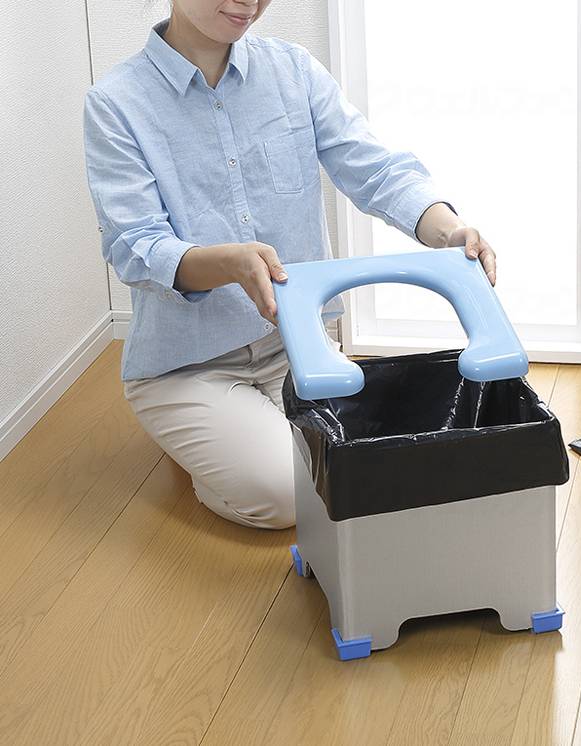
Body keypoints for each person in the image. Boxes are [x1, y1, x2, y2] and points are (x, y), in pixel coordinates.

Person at [83, 0, 496, 529]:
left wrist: (449, 230)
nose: (249, 3)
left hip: (300, 346)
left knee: (366, 469)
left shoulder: (293, 70)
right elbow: (135, 245)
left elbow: (374, 169)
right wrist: (227, 263)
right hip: (189, 367)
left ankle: (234, 441)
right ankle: (208, 455)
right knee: (291, 497)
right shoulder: (116, 103)